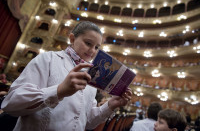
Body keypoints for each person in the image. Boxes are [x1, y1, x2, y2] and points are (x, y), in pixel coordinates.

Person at [1, 21, 132, 131]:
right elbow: (11, 104)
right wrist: (59, 91)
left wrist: (110, 105)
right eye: (88, 43)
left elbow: (87, 122)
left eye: (97, 47)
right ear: (72, 38)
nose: (92, 51)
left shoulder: (90, 75)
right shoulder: (48, 59)